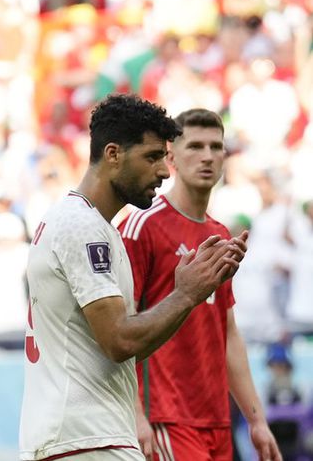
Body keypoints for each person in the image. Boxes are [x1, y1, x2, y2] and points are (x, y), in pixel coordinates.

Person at [20, 94, 248, 461]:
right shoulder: (83, 226)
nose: (162, 170)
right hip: (89, 440)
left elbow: (129, 344)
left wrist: (187, 293)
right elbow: (121, 341)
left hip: (79, 437)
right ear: (113, 154)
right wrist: (186, 294)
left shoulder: (91, 224)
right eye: (152, 157)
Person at [120, 108, 281, 461]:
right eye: (195, 146)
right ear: (171, 155)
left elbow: (227, 330)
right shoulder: (142, 226)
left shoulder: (220, 235)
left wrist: (256, 420)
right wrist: (133, 415)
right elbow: (120, 326)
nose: (207, 156)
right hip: (164, 418)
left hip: (217, 420)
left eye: (215, 146)